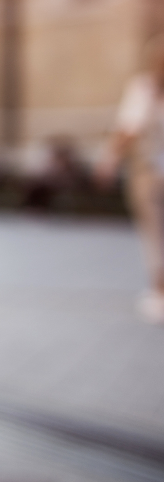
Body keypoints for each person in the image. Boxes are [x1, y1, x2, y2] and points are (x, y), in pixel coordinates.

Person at [97, 34, 164, 324]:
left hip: (149, 172)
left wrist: (109, 161)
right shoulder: (146, 89)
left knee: (155, 234)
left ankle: (160, 292)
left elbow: (129, 129)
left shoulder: (145, 88)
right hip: (151, 171)